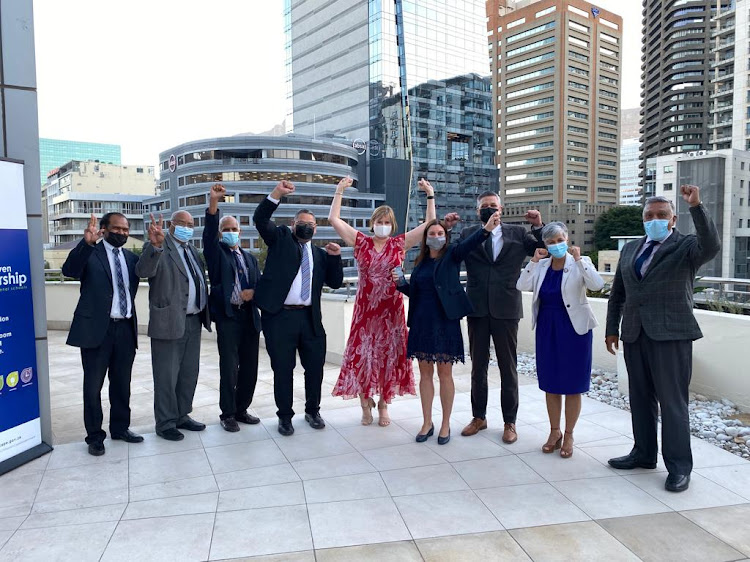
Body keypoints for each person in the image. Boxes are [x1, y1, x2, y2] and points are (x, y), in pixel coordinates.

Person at [605, 186, 720, 492]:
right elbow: (618, 294)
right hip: (635, 333)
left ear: (673, 219)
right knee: (640, 399)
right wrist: (611, 329)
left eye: (661, 215)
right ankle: (643, 454)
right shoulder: (630, 249)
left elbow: (711, 245)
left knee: (672, 404)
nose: (654, 220)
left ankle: (679, 467)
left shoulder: (687, 247)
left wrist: (697, 206)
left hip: (671, 334)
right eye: (649, 215)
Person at [329, 176, 436, 426]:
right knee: (364, 357)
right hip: (365, 313)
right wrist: (339, 191)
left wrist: (429, 194)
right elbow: (334, 220)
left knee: (389, 357)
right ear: (372, 223)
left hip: (391, 312)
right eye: (379, 221)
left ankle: (384, 404)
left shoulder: (400, 244)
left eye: (387, 222)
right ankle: (365, 403)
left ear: (393, 225)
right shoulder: (360, 242)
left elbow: (431, 224)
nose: (383, 225)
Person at [445, 191, 544, 444]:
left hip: (506, 308)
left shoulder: (518, 233)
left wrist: (538, 226)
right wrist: (475, 230)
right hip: (477, 308)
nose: (489, 209)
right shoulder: (469, 233)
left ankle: (509, 422)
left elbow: (543, 248)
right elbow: (452, 255)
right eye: (484, 207)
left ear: (501, 208)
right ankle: (479, 417)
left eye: (493, 205)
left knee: (507, 367)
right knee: (478, 366)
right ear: (478, 211)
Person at [395, 214, 500, 444]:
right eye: (431, 234)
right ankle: (426, 422)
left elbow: (469, 244)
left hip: (445, 322)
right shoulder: (420, 261)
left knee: (444, 375)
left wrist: (486, 229)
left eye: (439, 234)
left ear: (446, 236)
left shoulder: (452, 255)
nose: (435, 237)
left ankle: (445, 423)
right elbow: (418, 292)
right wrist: (401, 283)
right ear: (426, 238)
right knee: (424, 375)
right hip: (422, 322)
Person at [253, 180, 344, 436]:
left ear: (316, 229)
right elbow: (260, 219)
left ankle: (312, 411)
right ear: (293, 225)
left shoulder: (320, 255)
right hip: (280, 317)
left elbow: (336, 283)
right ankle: (285, 416)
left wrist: (336, 258)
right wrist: (276, 194)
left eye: (311, 225)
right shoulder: (280, 238)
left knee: (314, 368)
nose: (307, 227)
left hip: (310, 319)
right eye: (302, 223)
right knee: (283, 369)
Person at [516, 222, 604, 458]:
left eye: (559, 240)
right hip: (548, 328)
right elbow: (521, 285)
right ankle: (554, 432)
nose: (556, 245)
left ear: (567, 238)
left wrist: (578, 260)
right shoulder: (542, 265)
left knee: (573, 385)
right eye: (551, 242)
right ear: (544, 244)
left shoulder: (580, 262)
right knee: (551, 384)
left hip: (575, 330)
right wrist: (533, 261)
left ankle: (569, 433)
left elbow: (597, 285)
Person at [62, 213, 144, 456]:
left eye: (126, 229)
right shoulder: (91, 252)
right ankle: (95, 436)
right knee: (93, 386)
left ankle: (120, 428)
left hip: (126, 328)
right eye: (117, 228)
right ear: (104, 229)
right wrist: (85, 244)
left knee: (122, 384)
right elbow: (69, 270)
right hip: (97, 329)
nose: (122, 233)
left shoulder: (131, 258)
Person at [135, 211, 211, 441]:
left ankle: (181, 415)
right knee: (167, 376)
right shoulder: (161, 246)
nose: (187, 227)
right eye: (182, 224)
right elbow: (143, 271)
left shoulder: (191, 250)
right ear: (171, 225)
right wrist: (154, 246)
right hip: (168, 322)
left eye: (190, 224)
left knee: (189, 373)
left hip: (193, 320)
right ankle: (166, 422)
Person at [203, 183, 262, 432]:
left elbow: (260, 285)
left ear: (240, 231)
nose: (230, 232)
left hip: (248, 317)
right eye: (226, 229)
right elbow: (207, 235)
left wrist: (254, 293)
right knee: (229, 367)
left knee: (250, 366)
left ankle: (241, 409)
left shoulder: (249, 258)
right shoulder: (217, 253)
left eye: (234, 229)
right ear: (220, 233)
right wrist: (213, 203)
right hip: (228, 318)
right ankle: (227, 413)